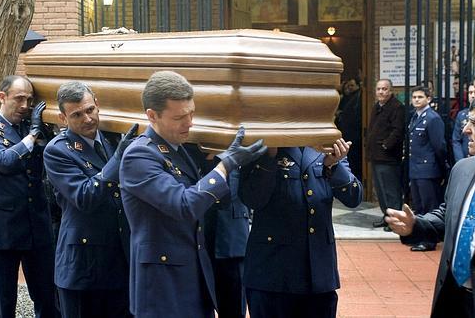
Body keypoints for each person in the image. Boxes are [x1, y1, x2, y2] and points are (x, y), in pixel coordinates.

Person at [119, 70, 266, 318]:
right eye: (179, 117)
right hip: (162, 284)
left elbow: (211, 200)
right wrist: (225, 165)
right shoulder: (139, 155)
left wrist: (219, 162)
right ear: (152, 116)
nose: (189, 123)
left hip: (192, 274)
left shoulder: (176, 149)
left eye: (192, 113)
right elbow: (184, 205)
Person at [43, 81, 137, 318]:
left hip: (120, 261)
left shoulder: (111, 138)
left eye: (89, 110)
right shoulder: (58, 151)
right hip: (84, 269)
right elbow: (85, 196)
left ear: (97, 105)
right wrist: (118, 158)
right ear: (63, 118)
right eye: (76, 115)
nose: (86, 119)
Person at [239, 139, 362, 318]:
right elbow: (252, 199)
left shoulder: (325, 140)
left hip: (318, 271)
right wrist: (268, 156)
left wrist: (334, 165)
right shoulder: (261, 143)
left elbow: (354, 197)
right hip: (273, 271)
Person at [0, 75, 57, 318]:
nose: (25, 105)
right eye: (19, 98)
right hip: (3, 227)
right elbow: (4, 161)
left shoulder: (32, 128)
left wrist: (44, 133)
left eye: (29, 99)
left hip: (36, 223)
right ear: (2, 97)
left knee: (48, 298)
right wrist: (32, 136)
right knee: (3, 302)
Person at [385, 103, 475, 317]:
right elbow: (447, 217)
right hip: (454, 297)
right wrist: (415, 225)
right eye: (468, 121)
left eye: (474, 123)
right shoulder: (462, 169)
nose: (465, 130)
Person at [185, 144, 250, 318]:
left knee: (233, 308)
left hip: (232, 239)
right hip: (196, 238)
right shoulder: (187, 144)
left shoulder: (240, 141)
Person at [407, 86, 448, 252]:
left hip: (428, 169)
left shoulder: (432, 118)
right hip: (416, 168)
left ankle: (430, 240)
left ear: (429, 99)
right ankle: (420, 237)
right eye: (414, 97)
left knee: (430, 206)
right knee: (419, 206)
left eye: (420, 97)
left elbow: (440, 146)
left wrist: (441, 168)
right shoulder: (415, 117)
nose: (416, 100)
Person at [366, 79, 405, 230]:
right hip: (376, 156)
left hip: (388, 157)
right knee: (381, 190)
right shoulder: (377, 106)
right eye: (379, 89)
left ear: (390, 91)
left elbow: (397, 131)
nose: (381, 92)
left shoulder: (397, 107)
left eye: (384, 89)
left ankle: (394, 221)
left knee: (391, 191)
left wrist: (385, 145)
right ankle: (386, 217)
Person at [335, 77, 362, 180]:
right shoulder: (345, 97)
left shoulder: (358, 97)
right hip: (345, 134)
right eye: (348, 86)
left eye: (352, 85)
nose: (349, 88)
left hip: (354, 137)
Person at [451, 84, 474, 163]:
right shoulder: (462, 114)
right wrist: (461, 161)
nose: (473, 96)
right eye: (470, 93)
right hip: (465, 159)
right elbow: (456, 140)